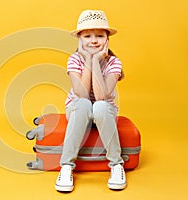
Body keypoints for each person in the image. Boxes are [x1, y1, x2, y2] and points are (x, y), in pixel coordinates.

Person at [55, 10, 126, 192]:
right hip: (79, 108)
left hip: (105, 111)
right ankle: (66, 166)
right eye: (87, 36)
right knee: (84, 103)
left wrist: (96, 60)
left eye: (99, 36)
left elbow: (102, 96)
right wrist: (87, 59)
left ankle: (116, 165)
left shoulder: (113, 63)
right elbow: (82, 94)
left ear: (107, 38)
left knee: (100, 106)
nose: (94, 40)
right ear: (79, 39)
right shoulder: (74, 60)